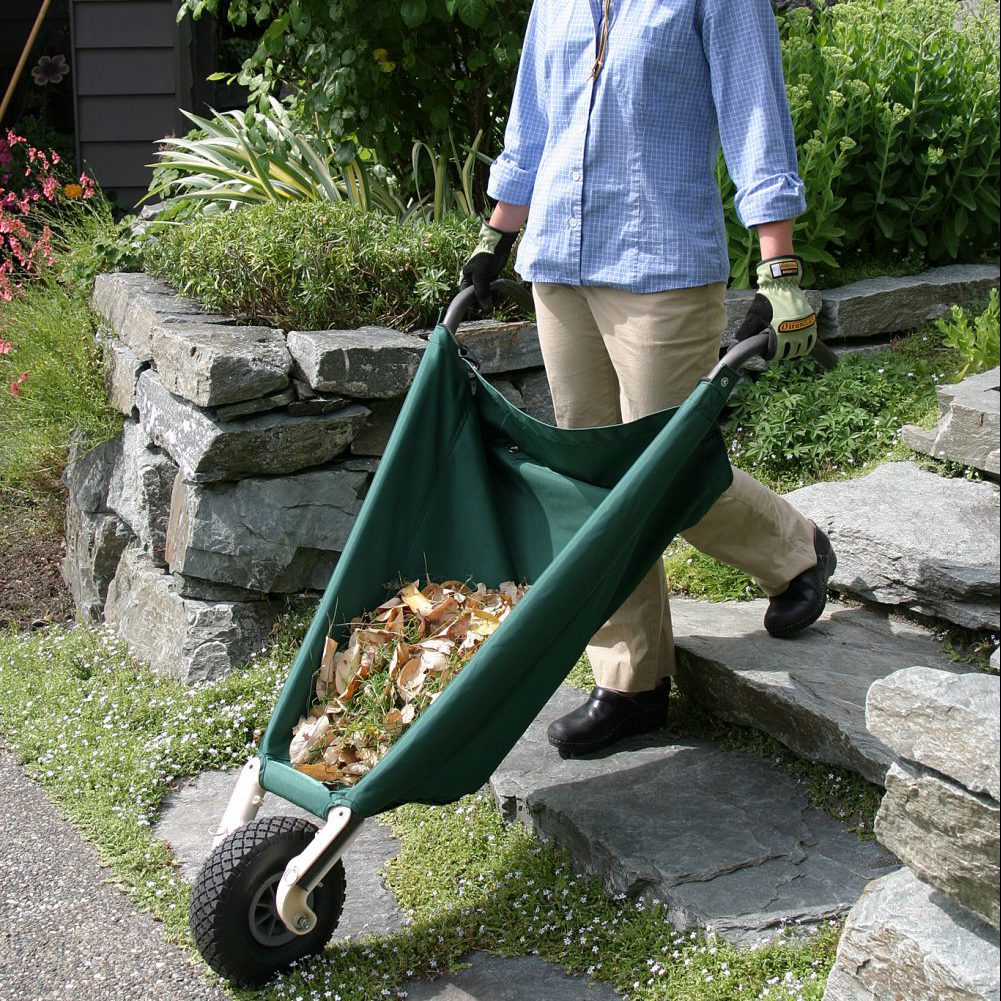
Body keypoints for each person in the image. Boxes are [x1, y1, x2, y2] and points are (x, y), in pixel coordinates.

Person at [460, 0, 837, 757]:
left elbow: (753, 110)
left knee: (663, 470)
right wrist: (492, 244)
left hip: (659, 266)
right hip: (558, 266)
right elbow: (531, 122)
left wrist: (779, 265)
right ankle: (629, 682)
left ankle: (793, 548)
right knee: (593, 480)